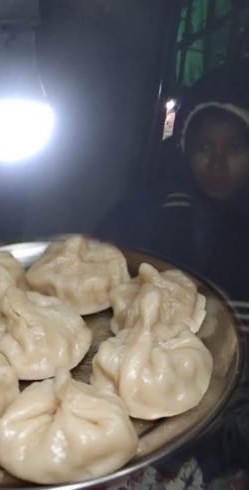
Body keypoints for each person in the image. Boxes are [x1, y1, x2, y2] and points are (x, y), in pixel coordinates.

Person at [96, 62, 249, 486]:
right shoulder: (144, 214)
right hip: (135, 429)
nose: (217, 164)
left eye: (235, 148)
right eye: (204, 147)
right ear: (184, 147)